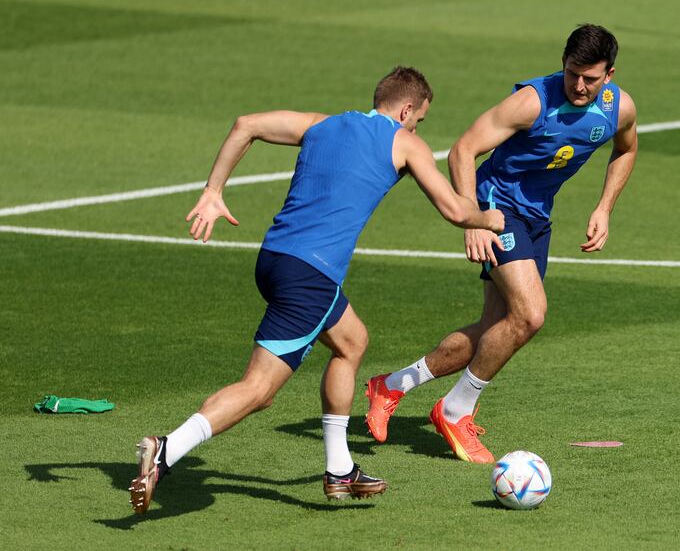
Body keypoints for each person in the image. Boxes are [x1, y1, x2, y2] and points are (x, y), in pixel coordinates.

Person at [129, 66, 505, 513]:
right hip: (312, 276)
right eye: (419, 118)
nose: (417, 126)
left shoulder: (320, 124)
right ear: (407, 109)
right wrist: (490, 218)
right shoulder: (405, 143)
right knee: (259, 390)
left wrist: (214, 190)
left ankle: (340, 469)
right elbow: (454, 210)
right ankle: (165, 451)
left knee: (352, 341)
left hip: (275, 261)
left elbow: (245, 125)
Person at [365, 25, 638, 463]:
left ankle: (390, 387)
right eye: (572, 74)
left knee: (496, 331)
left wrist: (604, 206)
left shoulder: (617, 107)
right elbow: (462, 150)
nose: (579, 86)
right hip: (497, 207)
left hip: (536, 218)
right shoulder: (533, 101)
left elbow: (626, 148)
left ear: (609, 74)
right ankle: (455, 411)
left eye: (590, 78)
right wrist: (473, 219)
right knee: (530, 316)